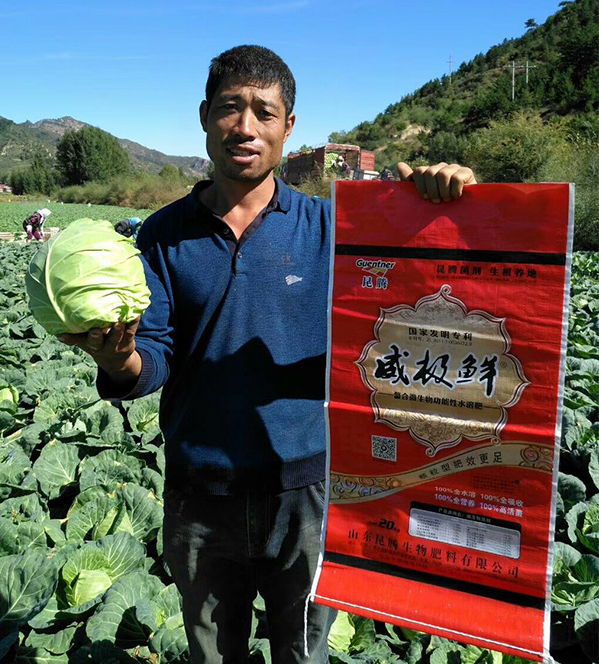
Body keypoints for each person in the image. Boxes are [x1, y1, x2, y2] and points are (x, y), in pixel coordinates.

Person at [58, 45, 477, 663]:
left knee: (302, 655)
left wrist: (443, 201)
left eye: (264, 111)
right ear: (205, 117)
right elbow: (156, 353)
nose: (245, 126)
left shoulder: (331, 228)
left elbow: (431, 285)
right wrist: (116, 361)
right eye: (230, 107)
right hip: (200, 496)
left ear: (289, 128)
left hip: (306, 491)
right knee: (211, 655)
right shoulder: (163, 234)